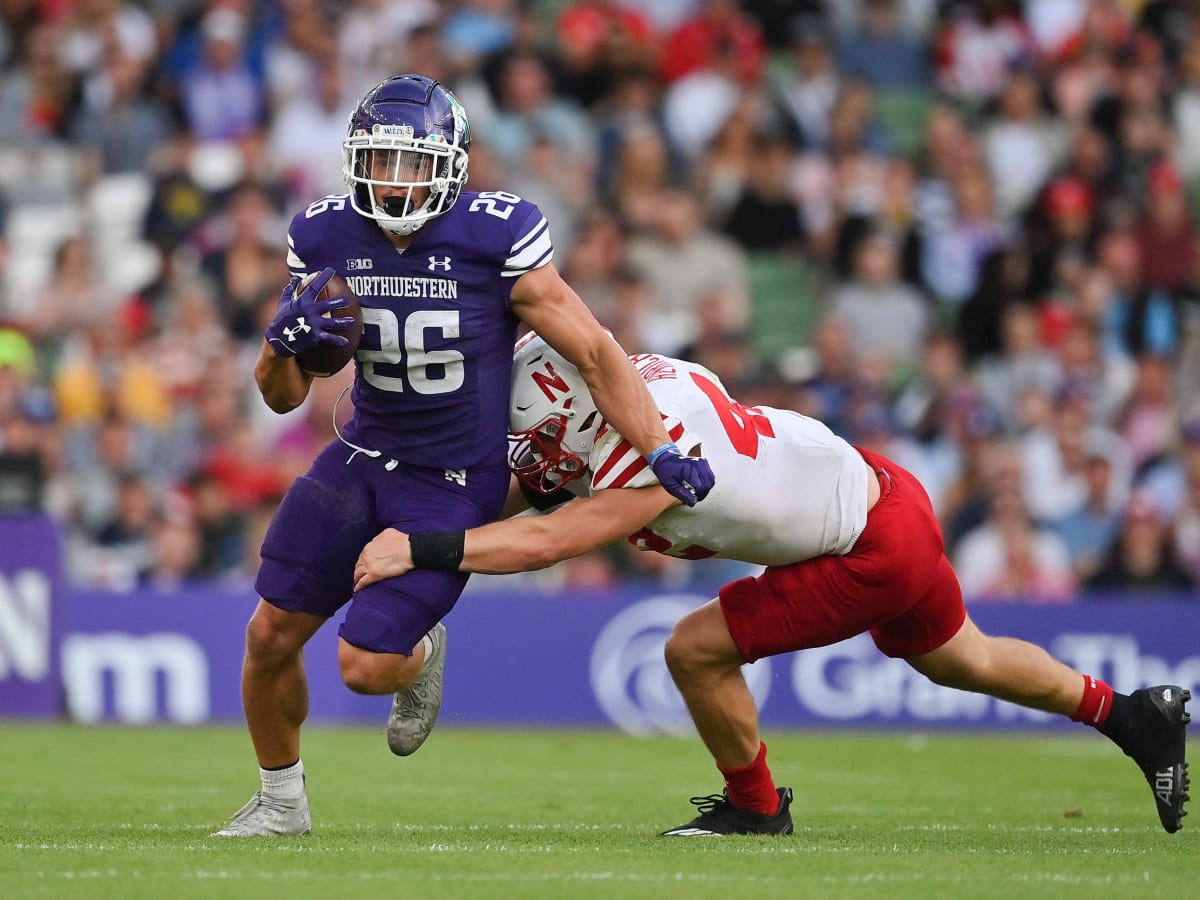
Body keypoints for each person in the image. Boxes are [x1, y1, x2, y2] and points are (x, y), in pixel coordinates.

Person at [354, 333, 1191, 837]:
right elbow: (546, 481)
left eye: (528, 432)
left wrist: (421, 548)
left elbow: (549, 537)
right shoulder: (636, 392)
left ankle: (756, 807)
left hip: (863, 546)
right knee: (959, 660)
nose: (523, 449)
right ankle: (1132, 716)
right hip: (879, 496)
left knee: (692, 651)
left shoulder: (659, 465)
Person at [212, 74, 715, 838]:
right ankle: (281, 803)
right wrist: (283, 344)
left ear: (450, 165)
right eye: (379, 161)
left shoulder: (496, 233)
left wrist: (660, 444)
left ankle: (418, 654)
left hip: (451, 479)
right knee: (267, 634)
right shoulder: (322, 234)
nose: (393, 180)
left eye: (411, 164)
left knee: (365, 665)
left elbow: (592, 350)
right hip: (360, 451)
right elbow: (283, 395)